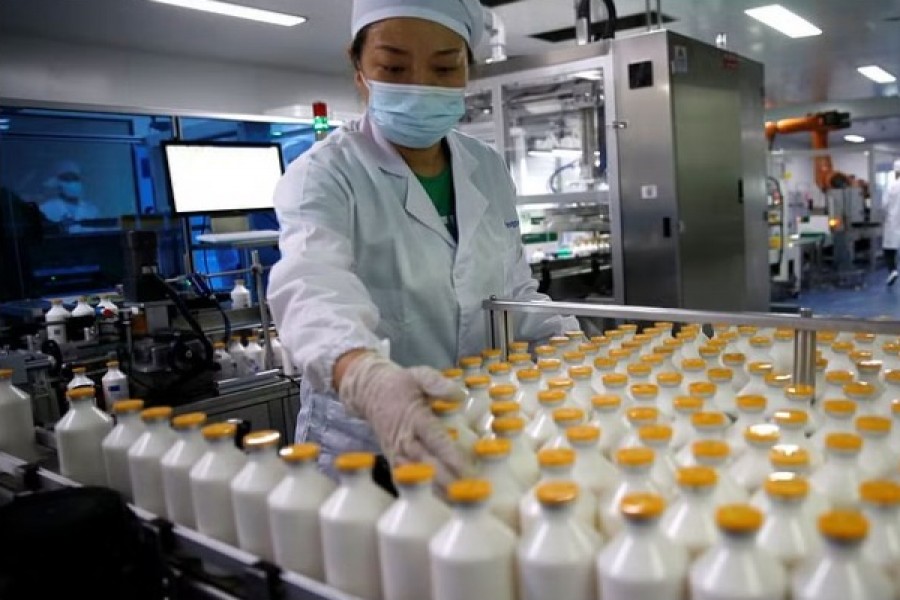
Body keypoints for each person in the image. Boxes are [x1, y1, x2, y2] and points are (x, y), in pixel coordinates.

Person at [267, 0, 578, 487]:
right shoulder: (325, 174)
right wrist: (367, 378)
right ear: (359, 69)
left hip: (481, 428)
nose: (420, 85)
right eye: (393, 66)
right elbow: (311, 288)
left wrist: (573, 351)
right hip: (364, 449)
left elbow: (515, 294)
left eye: (444, 66)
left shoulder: (487, 167)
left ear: (466, 71)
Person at [39, 160, 100, 228]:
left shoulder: (92, 210)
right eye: (67, 179)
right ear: (57, 182)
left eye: (75, 178)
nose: (72, 183)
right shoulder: (45, 209)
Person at [883, 158, 900, 286]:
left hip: (893, 222)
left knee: (889, 249)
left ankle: (893, 270)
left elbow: (884, 205)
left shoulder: (891, 186)